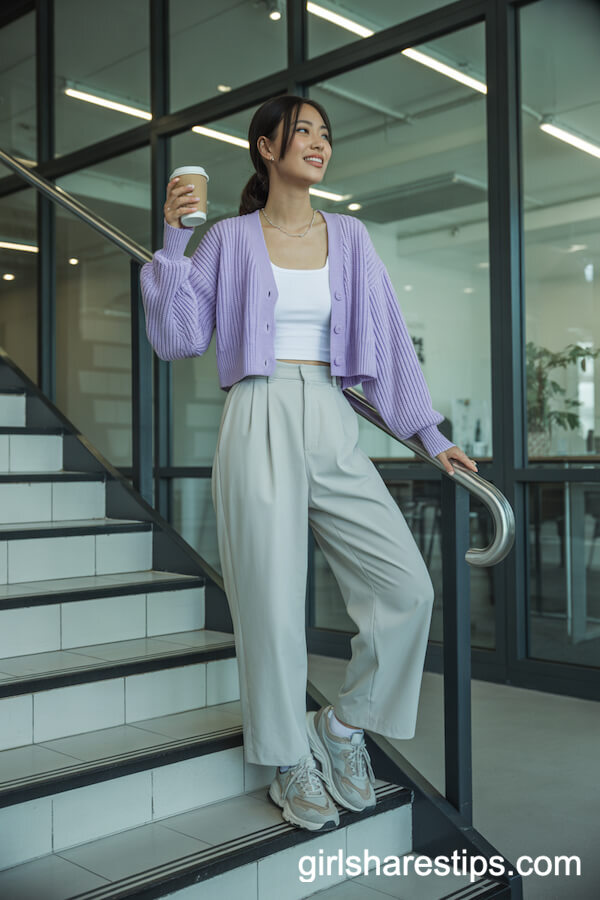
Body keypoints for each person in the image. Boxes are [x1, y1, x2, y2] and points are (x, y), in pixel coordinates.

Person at [140, 94, 478, 835]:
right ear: (266, 147)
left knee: (406, 587)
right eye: (304, 132)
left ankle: (343, 729)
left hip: (330, 413)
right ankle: (288, 758)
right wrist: (171, 242)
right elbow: (177, 340)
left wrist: (428, 433)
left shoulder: (350, 238)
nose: (320, 143)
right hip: (256, 410)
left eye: (327, 133)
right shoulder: (227, 238)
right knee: (267, 602)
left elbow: (388, 341)